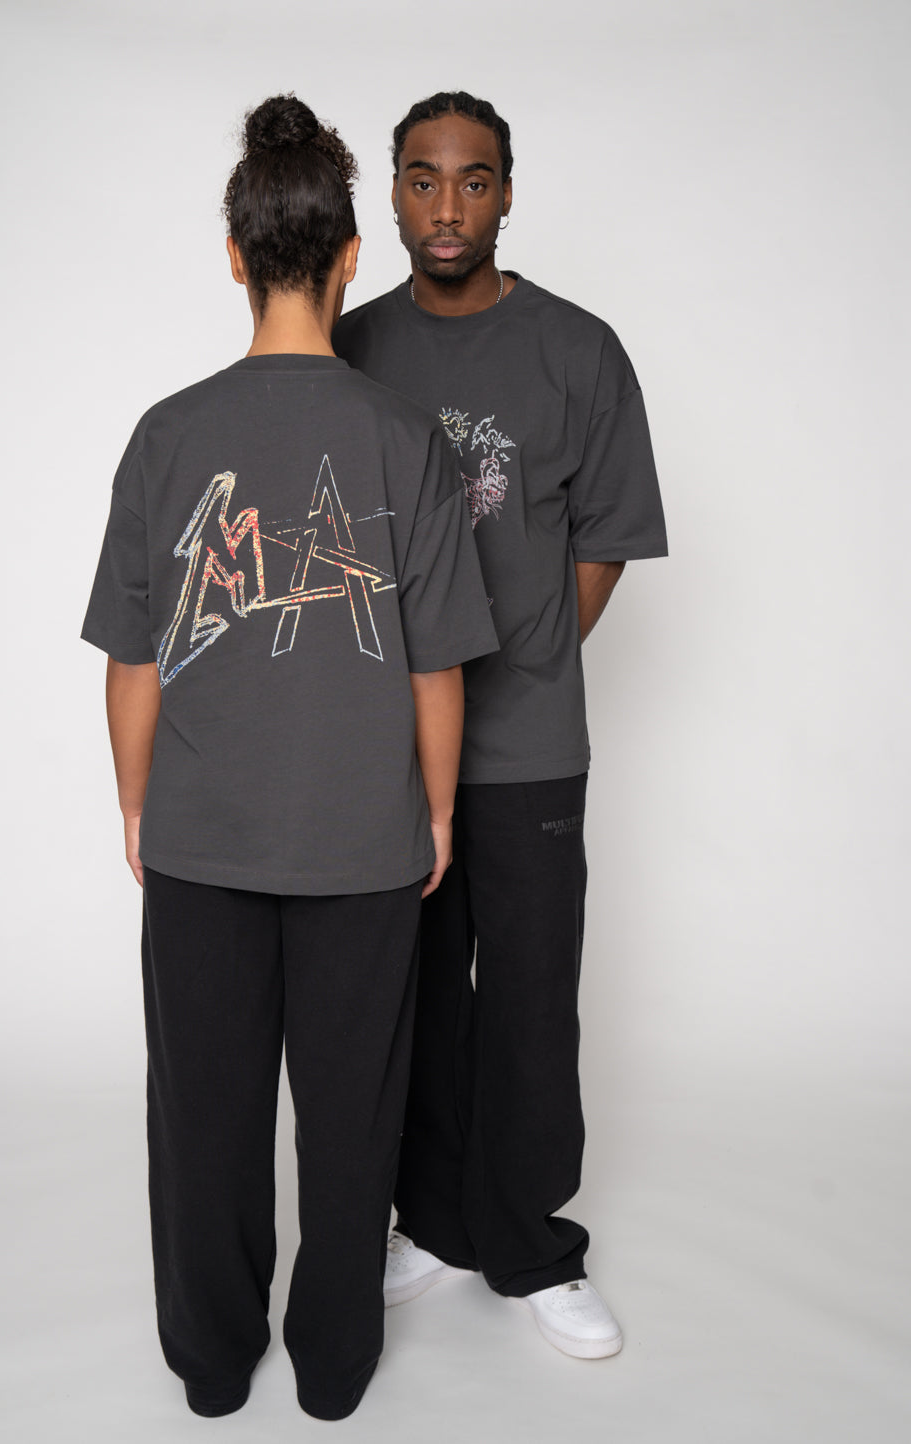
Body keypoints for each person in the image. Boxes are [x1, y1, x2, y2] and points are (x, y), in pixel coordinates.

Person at [81, 95, 496, 1421]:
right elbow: (437, 667)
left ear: (234, 255)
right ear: (354, 256)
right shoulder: (403, 439)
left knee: (202, 1121)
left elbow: (132, 660)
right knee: (353, 1118)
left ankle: (211, 1367)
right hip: (363, 844)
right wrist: (438, 814)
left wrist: (137, 805)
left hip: (202, 842)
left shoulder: (166, 435)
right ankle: (334, 1367)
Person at [333, 90, 668, 1361]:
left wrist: (527, 655)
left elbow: (607, 537)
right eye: (422, 178)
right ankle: (433, 1221)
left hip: (527, 749)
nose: (447, 205)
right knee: (413, 995)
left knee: (529, 998)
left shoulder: (577, 350)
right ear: (391, 195)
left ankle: (528, 1243)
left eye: (473, 180)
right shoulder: (352, 346)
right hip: (384, 749)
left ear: (508, 194)